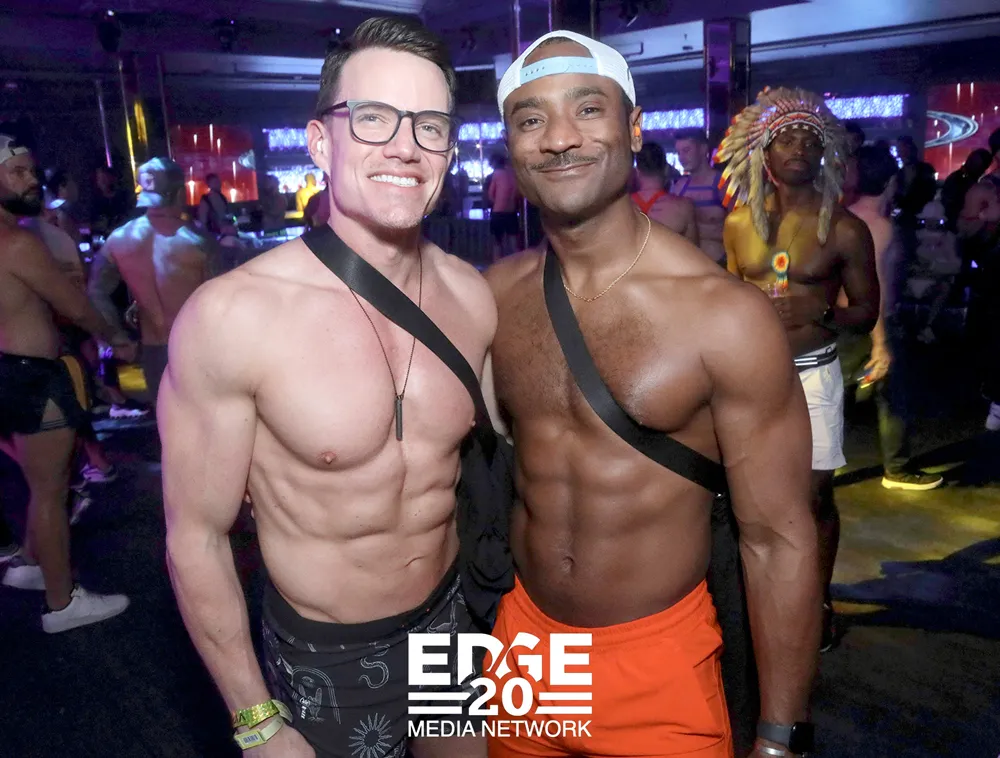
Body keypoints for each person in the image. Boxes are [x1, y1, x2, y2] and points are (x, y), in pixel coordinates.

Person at [161, 17, 494, 758]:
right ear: (320, 142)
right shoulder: (234, 316)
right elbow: (196, 537)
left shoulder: (472, 297)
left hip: (451, 623)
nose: (405, 146)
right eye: (373, 117)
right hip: (329, 651)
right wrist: (255, 722)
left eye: (430, 125)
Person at [486, 33, 820, 758]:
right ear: (511, 146)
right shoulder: (494, 297)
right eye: (531, 119)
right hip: (523, 652)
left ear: (634, 129)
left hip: (659, 664)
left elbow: (778, 540)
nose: (560, 138)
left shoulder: (723, 316)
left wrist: (779, 737)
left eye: (588, 109)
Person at [719, 87, 880, 652]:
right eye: (785, 138)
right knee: (748, 497)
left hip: (813, 373)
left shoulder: (844, 229)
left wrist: (823, 311)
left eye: (809, 140)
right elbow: (728, 294)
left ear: (824, 153)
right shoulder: (739, 223)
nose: (798, 148)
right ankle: (758, 596)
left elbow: (866, 311)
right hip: (751, 378)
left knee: (813, 497)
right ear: (763, 151)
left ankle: (817, 601)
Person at [0, 132, 135, 632]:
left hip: (12, 371)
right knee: (51, 492)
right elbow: (75, 306)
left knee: (43, 484)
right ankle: (61, 604)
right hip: (35, 377)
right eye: (17, 172)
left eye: (31, 170)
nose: (31, 179)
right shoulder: (19, 243)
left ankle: (31, 565)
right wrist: (115, 338)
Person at [841, 145, 944, 490]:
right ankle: (897, 470)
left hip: (840, 322)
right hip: (871, 324)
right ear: (890, 182)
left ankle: (818, 469)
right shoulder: (881, 228)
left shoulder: (843, 217)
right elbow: (876, 290)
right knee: (893, 397)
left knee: (835, 399)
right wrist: (881, 343)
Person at [89, 158, 214, 411]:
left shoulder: (118, 240)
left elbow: (95, 290)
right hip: (197, 348)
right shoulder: (198, 240)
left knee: (168, 424)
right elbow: (220, 299)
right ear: (179, 193)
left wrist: (117, 336)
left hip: (153, 352)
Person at [672, 128, 728, 265]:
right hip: (688, 265)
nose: (681, 158)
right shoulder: (679, 187)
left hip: (719, 264)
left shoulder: (723, 184)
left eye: (686, 150)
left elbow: (741, 229)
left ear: (703, 149)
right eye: (678, 152)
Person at [632, 141, 698, 244]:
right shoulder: (684, 208)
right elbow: (694, 252)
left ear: (637, 171)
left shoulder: (621, 208)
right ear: (666, 169)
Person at [487, 154, 520, 260]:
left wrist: (496, 202)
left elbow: (491, 194)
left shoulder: (496, 174)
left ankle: (498, 265)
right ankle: (517, 264)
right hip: (511, 211)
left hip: (498, 211)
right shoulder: (513, 174)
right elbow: (517, 194)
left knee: (497, 242)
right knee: (513, 241)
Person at [89, 164, 132, 238]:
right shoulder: (95, 202)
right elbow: (92, 225)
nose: (101, 181)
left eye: (104, 178)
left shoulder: (124, 198)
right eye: (99, 178)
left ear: (112, 178)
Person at [840, 121, 865, 208]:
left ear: (859, 142)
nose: (848, 146)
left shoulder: (862, 164)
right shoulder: (836, 162)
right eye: (844, 142)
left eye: (851, 142)